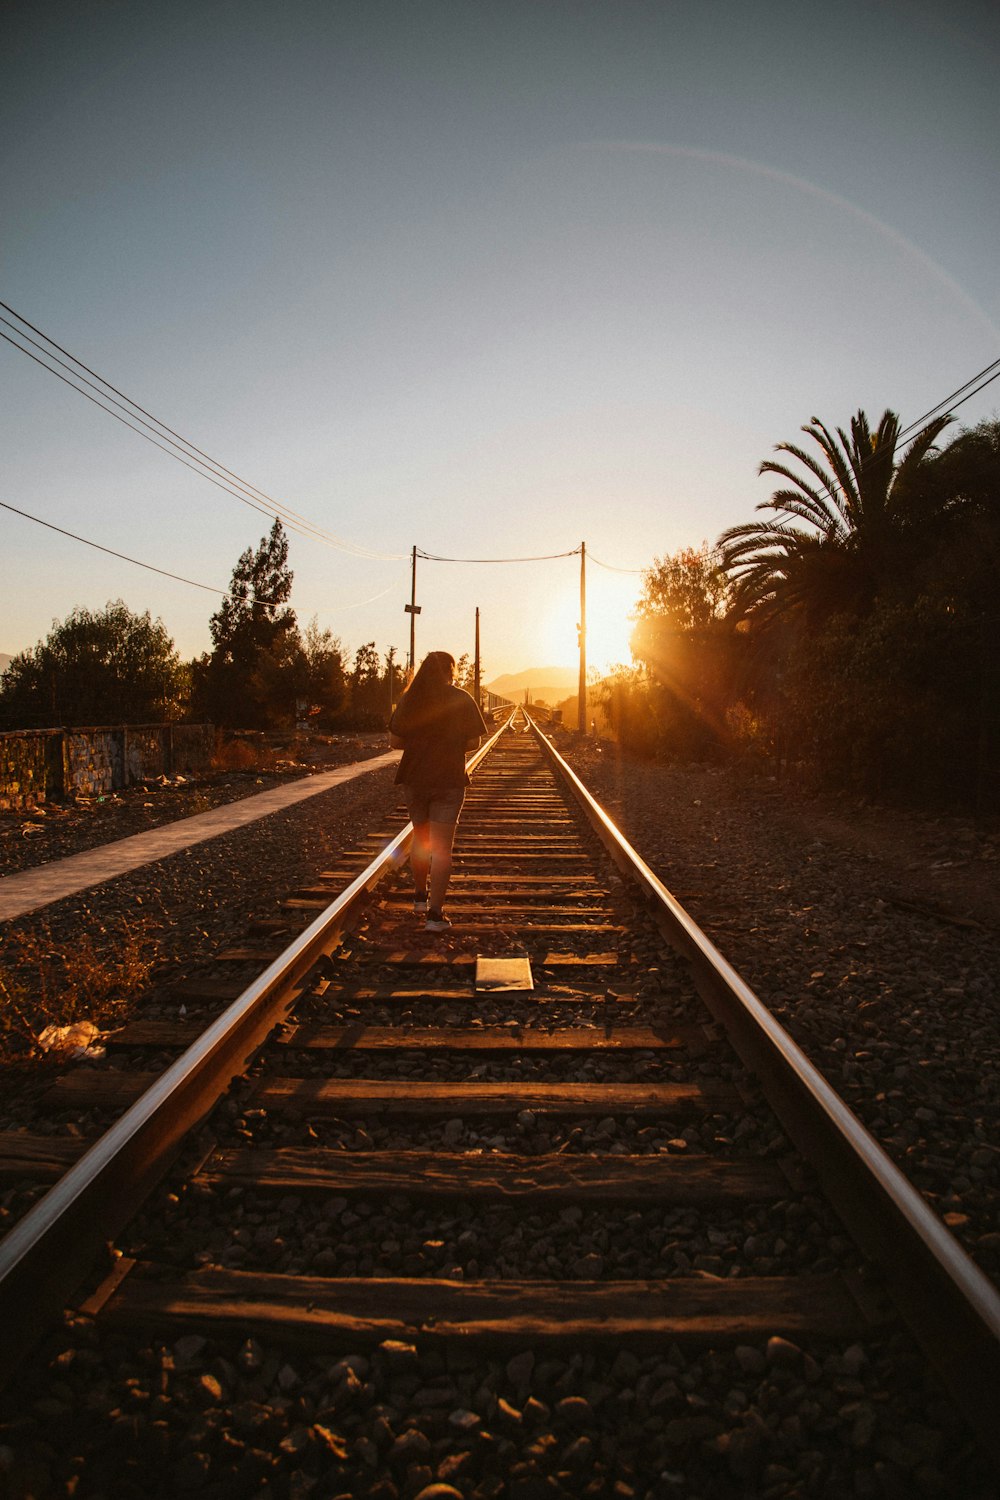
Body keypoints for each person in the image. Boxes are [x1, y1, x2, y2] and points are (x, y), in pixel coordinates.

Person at [389, 650, 488, 931]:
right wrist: (450, 745)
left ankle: (419, 897)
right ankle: (434, 915)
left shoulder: (410, 699)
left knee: (421, 840)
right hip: (448, 779)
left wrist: (421, 743)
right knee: (442, 850)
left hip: (415, 779)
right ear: (450, 671)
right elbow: (473, 741)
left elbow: (395, 741)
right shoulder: (461, 698)